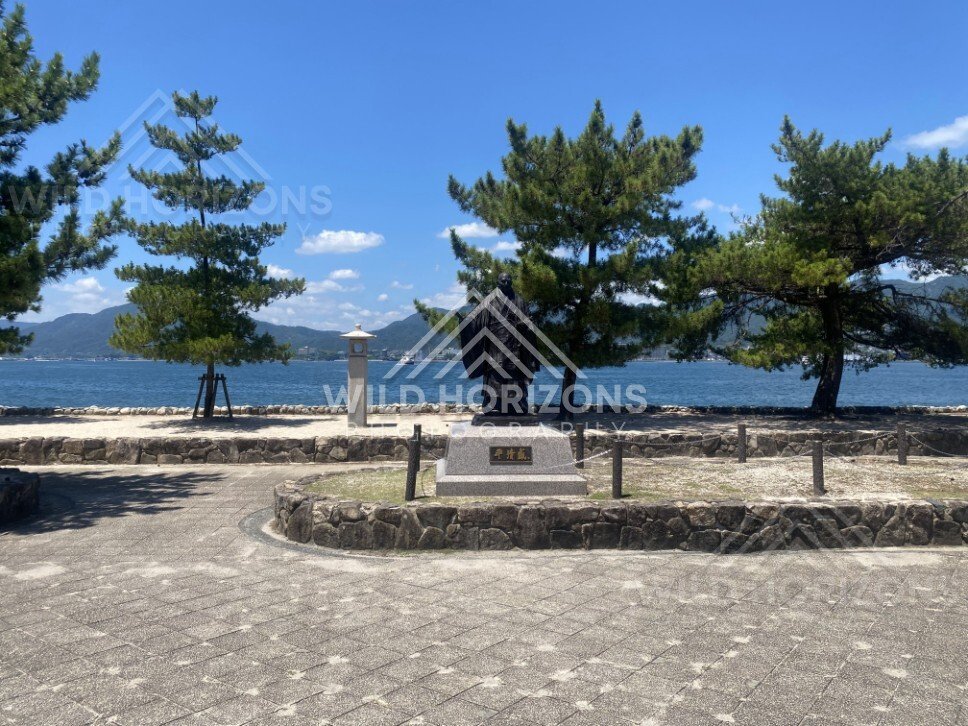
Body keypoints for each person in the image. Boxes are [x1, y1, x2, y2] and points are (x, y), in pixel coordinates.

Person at [457, 272, 541, 418]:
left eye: (508, 281)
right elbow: (476, 321)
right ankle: (493, 405)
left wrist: (526, 325)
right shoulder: (489, 301)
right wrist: (465, 323)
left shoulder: (520, 301)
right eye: (503, 282)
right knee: (495, 379)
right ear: (498, 283)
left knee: (515, 378)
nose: (506, 284)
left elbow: (529, 324)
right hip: (494, 349)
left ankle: (517, 406)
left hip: (515, 348)